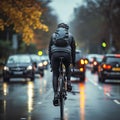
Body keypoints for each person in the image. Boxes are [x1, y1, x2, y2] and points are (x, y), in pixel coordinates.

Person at [48, 23, 76, 106]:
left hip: (55, 55)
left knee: (55, 74)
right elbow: (73, 51)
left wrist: (51, 61)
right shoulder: (70, 36)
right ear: (66, 29)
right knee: (68, 66)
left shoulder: (53, 36)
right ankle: (69, 82)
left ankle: (56, 94)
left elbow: (49, 50)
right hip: (67, 54)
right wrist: (73, 63)